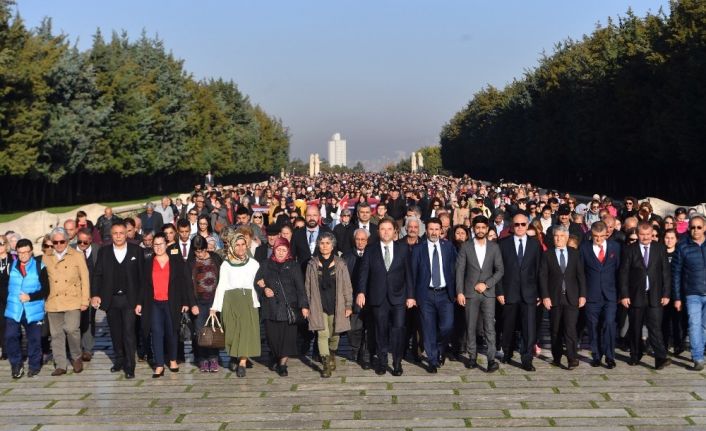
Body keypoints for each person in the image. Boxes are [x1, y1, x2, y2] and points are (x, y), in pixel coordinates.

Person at [136, 232, 195, 378]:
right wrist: (139, 303)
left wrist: (186, 302)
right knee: (156, 333)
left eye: (161, 244)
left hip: (172, 302)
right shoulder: (149, 262)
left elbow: (184, 283)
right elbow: (143, 285)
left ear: (166, 245)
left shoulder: (175, 261)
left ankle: (173, 359)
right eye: (155, 244)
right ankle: (159, 364)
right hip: (154, 303)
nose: (158, 247)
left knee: (172, 331)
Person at [356, 218, 411, 376]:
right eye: (382, 229)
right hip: (378, 296)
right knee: (380, 330)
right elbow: (364, 273)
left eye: (389, 229)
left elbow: (409, 274)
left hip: (399, 297)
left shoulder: (403, 248)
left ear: (395, 231)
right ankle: (381, 361)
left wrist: (411, 296)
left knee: (398, 329)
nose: (386, 232)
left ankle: (397, 362)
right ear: (378, 231)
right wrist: (361, 292)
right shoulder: (370, 249)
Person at [91, 221, 145, 379]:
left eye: (122, 233)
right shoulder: (104, 252)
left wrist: (140, 301)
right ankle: (119, 360)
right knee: (115, 332)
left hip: (130, 299)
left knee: (129, 332)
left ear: (127, 234)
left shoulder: (136, 250)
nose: (119, 236)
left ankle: (130, 365)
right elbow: (97, 275)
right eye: (115, 233)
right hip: (111, 299)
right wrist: (95, 294)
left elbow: (142, 278)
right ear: (111, 235)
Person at [619, 222, 672, 370]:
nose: (646, 237)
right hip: (635, 295)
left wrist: (666, 293)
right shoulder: (630, 250)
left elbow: (666, 273)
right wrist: (624, 295)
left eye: (648, 234)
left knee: (655, 327)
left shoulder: (660, 248)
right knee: (635, 327)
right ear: (638, 234)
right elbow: (623, 274)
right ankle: (635, 355)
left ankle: (660, 357)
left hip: (655, 294)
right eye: (643, 235)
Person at [408, 218, 457, 373]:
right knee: (428, 329)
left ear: (441, 230)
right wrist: (412, 296)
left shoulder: (448, 247)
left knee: (447, 326)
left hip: (445, 294)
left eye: (437, 229)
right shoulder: (418, 249)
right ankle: (432, 360)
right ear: (426, 230)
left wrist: (457, 291)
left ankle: (440, 350)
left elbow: (455, 270)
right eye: (431, 229)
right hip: (426, 294)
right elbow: (412, 274)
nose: (434, 232)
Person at [455, 215, 504, 372]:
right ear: (473, 229)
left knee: (489, 326)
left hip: (488, 293)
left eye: (483, 228)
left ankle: (491, 359)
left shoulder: (494, 247)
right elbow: (460, 271)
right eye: (478, 228)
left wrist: (487, 284)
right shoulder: (466, 247)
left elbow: (500, 270)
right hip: (470, 293)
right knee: (470, 326)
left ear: (487, 229)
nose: (481, 230)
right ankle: (472, 357)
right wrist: (460, 292)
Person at [255, 237, 308, 377]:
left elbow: (300, 288)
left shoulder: (294, 265)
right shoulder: (265, 264)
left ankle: (283, 364)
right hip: (270, 308)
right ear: (274, 249)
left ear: (288, 251)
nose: (280, 253)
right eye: (278, 250)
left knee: (287, 339)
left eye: (284, 250)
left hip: (289, 307)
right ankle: (275, 355)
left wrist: (304, 306)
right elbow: (257, 282)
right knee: (272, 338)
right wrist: (264, 289)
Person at [210, 233, 260, 377]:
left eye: (243, 244)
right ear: (232, 246)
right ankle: (235, 356)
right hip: (230, 300)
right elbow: (221, 285)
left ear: (247, 246)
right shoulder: (226, 264)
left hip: (247, 300)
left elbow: (258, 284)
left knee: (245, 331)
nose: (240, 248)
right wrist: (215, 307)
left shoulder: (254, 264)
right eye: (237, 245)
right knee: (231, 332)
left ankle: (243, 362)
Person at [496, 212, 542, 371]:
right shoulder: (503, 244)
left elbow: (539, 271)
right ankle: (507, 352)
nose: (520, 227)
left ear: (528, 225)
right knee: (508, 326)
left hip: (529, 293)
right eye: (517, 224)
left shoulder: (535, 244)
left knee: (529, 328)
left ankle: (527, 358)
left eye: (523, 224)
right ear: (512, 226)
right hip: (509, 292)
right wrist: (499, 291)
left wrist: (540, 293)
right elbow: (498, 270)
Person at [303, 232, 353, 378]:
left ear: (332, 246)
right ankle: (325, 362)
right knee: (322, 333)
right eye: (322, 243)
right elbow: (307, 286)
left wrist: (349, 305)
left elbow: (347, 286)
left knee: (335, 334)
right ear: (318, 245)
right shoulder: (312, 264)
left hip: (337, 304)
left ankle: (332, 353)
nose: (325, 246)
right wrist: (306, 305)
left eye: (327, 243)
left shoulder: (340, 263)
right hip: (318, 304)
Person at [43, 227, 91, 376]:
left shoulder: (76, 255)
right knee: (56, 334)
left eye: (61, 241)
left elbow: (85, 278)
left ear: (68, 241)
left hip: (72, 299)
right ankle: (60, 364)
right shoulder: (46, 257)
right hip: (53, 301)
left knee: (71, 329)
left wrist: (85, 300)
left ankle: (76, 357)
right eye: (55, 242)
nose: (58, 245)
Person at [539, 225, 586, 370]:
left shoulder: (574, 253)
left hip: (572, 296)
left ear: (567, 238)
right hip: (554, 297)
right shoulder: (547, 255)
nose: (558, 239)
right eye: (556, 236)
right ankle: (557, 356)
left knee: (570, 328)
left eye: (561, 236)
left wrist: (583, 295)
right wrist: (545, 296)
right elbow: (543, 277)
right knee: (555, 329)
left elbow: (581, 276)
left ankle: (572, 358)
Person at [4, 239, 49, 378]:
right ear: (16, 253)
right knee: (10, 336)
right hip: (14, 308)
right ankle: (16, 365)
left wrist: (30, 297)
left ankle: (34, 365)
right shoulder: (10, 266)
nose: (23, 255)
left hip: (33, 309)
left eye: (26, 252)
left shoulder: (39, 267)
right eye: (20, 253)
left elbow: (46, 290)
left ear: (31, 252)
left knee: (34, 339)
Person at [580, 221, 621, 369]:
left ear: (607, 234)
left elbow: (618, 271)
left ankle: (610, 356)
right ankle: (596, 356)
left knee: (609, 324)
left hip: (610, 295)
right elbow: (581, 273)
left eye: (601, 236)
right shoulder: (584, 248)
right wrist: (582, 294)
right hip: (591, 295)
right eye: (595, 236)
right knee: (593, 326)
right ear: (591, 234)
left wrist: (620, 293)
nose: (598, 239)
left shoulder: (615, 247)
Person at [672, 214, 706, 371]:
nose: (696, 230)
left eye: (699, 227)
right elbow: (676, 273)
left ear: (704, 228)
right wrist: (677, 297)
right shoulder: (682, 246)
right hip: (692, 293)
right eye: (692, 227)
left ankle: (700, 349)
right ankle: (698, 357)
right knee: (694, 324)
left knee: (704, 326)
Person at [189, 235, 223, 372]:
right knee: (200, 331)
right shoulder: (190, 262)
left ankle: (214, 358)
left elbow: (222, 278)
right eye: (197, 251)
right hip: (199, 302)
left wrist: (220, 301)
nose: (200, 254)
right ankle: (202, 359)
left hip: (214, 300)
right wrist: (192, 304)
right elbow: (187, 285)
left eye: (202, 250)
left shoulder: (215, 258)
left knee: (213, 329)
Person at [343, 228, 375, 369]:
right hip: (353, 298)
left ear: (367, 241)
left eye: (363, 239)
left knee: (369, 328)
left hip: (371, 297)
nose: (360, 242)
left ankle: (366, 353)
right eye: (358, 239)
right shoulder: (347, 256)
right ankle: (355, 349)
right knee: (354, 328)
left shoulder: (374, 254)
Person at [74, 228, 98, 361]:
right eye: (79, 241)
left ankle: (87, 349)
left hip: (92, 292)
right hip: (74, 292)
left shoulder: (97, 250)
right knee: (74, 321)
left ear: (90, 240)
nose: (82, 244)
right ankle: (76, 348)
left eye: (85, 242)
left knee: (88, 320)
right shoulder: (71, 250)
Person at [661, 229, 686, 355]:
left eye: (672, 238)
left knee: (677, 321)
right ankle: (664, 345)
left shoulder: (680, 253)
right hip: (663, 292)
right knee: (664, 321)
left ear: (676, 239)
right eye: (667, 237)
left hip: (677, 292)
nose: (669, 240)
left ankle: (678, 345)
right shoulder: (660, 252)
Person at [0, 235, 13, 360]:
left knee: (11, 322)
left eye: (2, 243)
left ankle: (11, 348)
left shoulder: (12, 259)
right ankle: (3, 349)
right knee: (1, 323)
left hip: (10, 294)